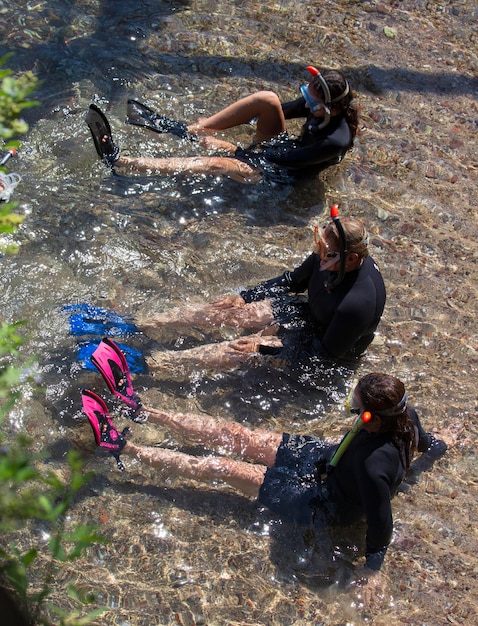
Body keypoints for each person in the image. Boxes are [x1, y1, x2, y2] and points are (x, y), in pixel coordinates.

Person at [82, 368, 448, 584]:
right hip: (327, 460)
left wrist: (372, 570)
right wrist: (440, 447)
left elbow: (382, 525)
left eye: (358, 410)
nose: (353, 412)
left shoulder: (373, 469)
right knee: (235, 434)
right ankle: (142, 410)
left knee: (219, 467)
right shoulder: (406, 417)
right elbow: (425, 441)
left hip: (324, 503)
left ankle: (124, 447)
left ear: (373, 418)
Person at [136, 209, 386, 373]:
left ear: (351, 259)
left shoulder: (356, 305)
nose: (317, 254)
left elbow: (321, 356)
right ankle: (144, 323)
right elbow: (292, 282)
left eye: (324, 251)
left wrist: (262, 348)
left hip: (318, 348)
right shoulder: (331, 255)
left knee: (238, 349)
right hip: (308, 314)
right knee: (228, 311)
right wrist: (244, 297)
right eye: (318, 245)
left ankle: (155, 363)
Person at [85, 67, 358, 184]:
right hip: (280, 151)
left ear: (331, 108)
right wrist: (214, 130)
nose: (305, 101)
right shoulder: (320, 106)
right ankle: (184, 129)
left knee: (213, 162)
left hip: (281, 174)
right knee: (267, 99)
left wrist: (232, 152)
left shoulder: (336, 140)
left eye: (311, 99)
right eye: (306, 93)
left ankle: (120, 162)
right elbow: (271, 113)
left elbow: (285, 161)